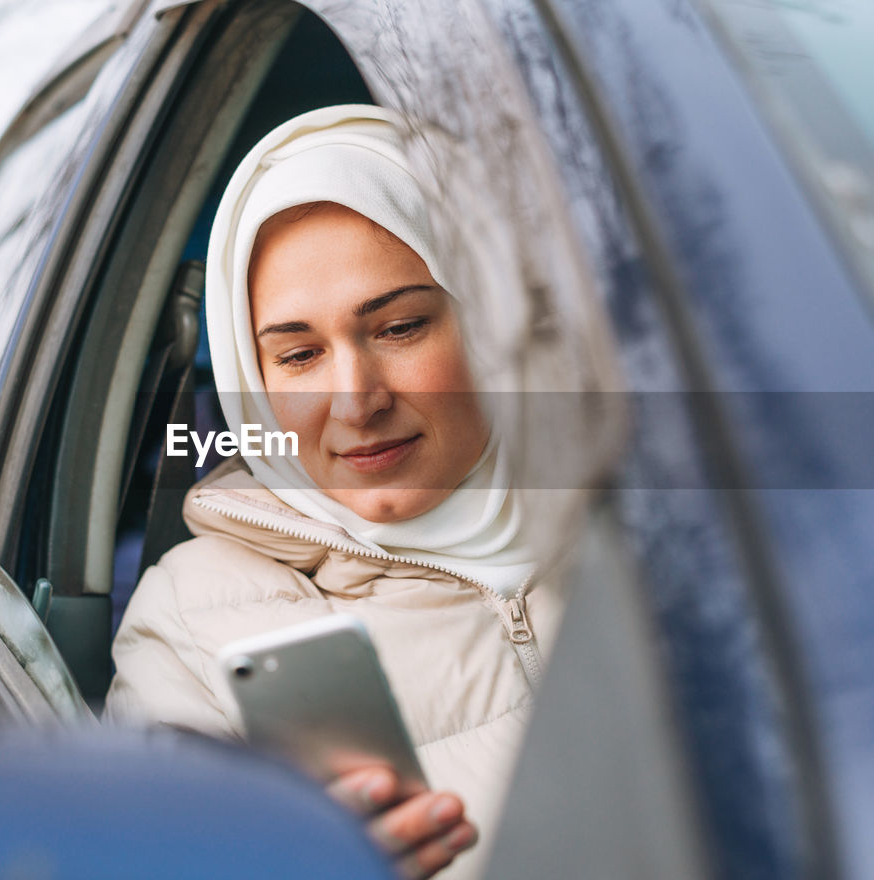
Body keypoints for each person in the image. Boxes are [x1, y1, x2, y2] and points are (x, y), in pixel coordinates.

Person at [106, 105, 571, 880]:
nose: (356, 402)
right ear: (250, 383)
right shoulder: (185, 627)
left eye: (399, 328)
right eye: (297, 355)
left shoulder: (666, 529)